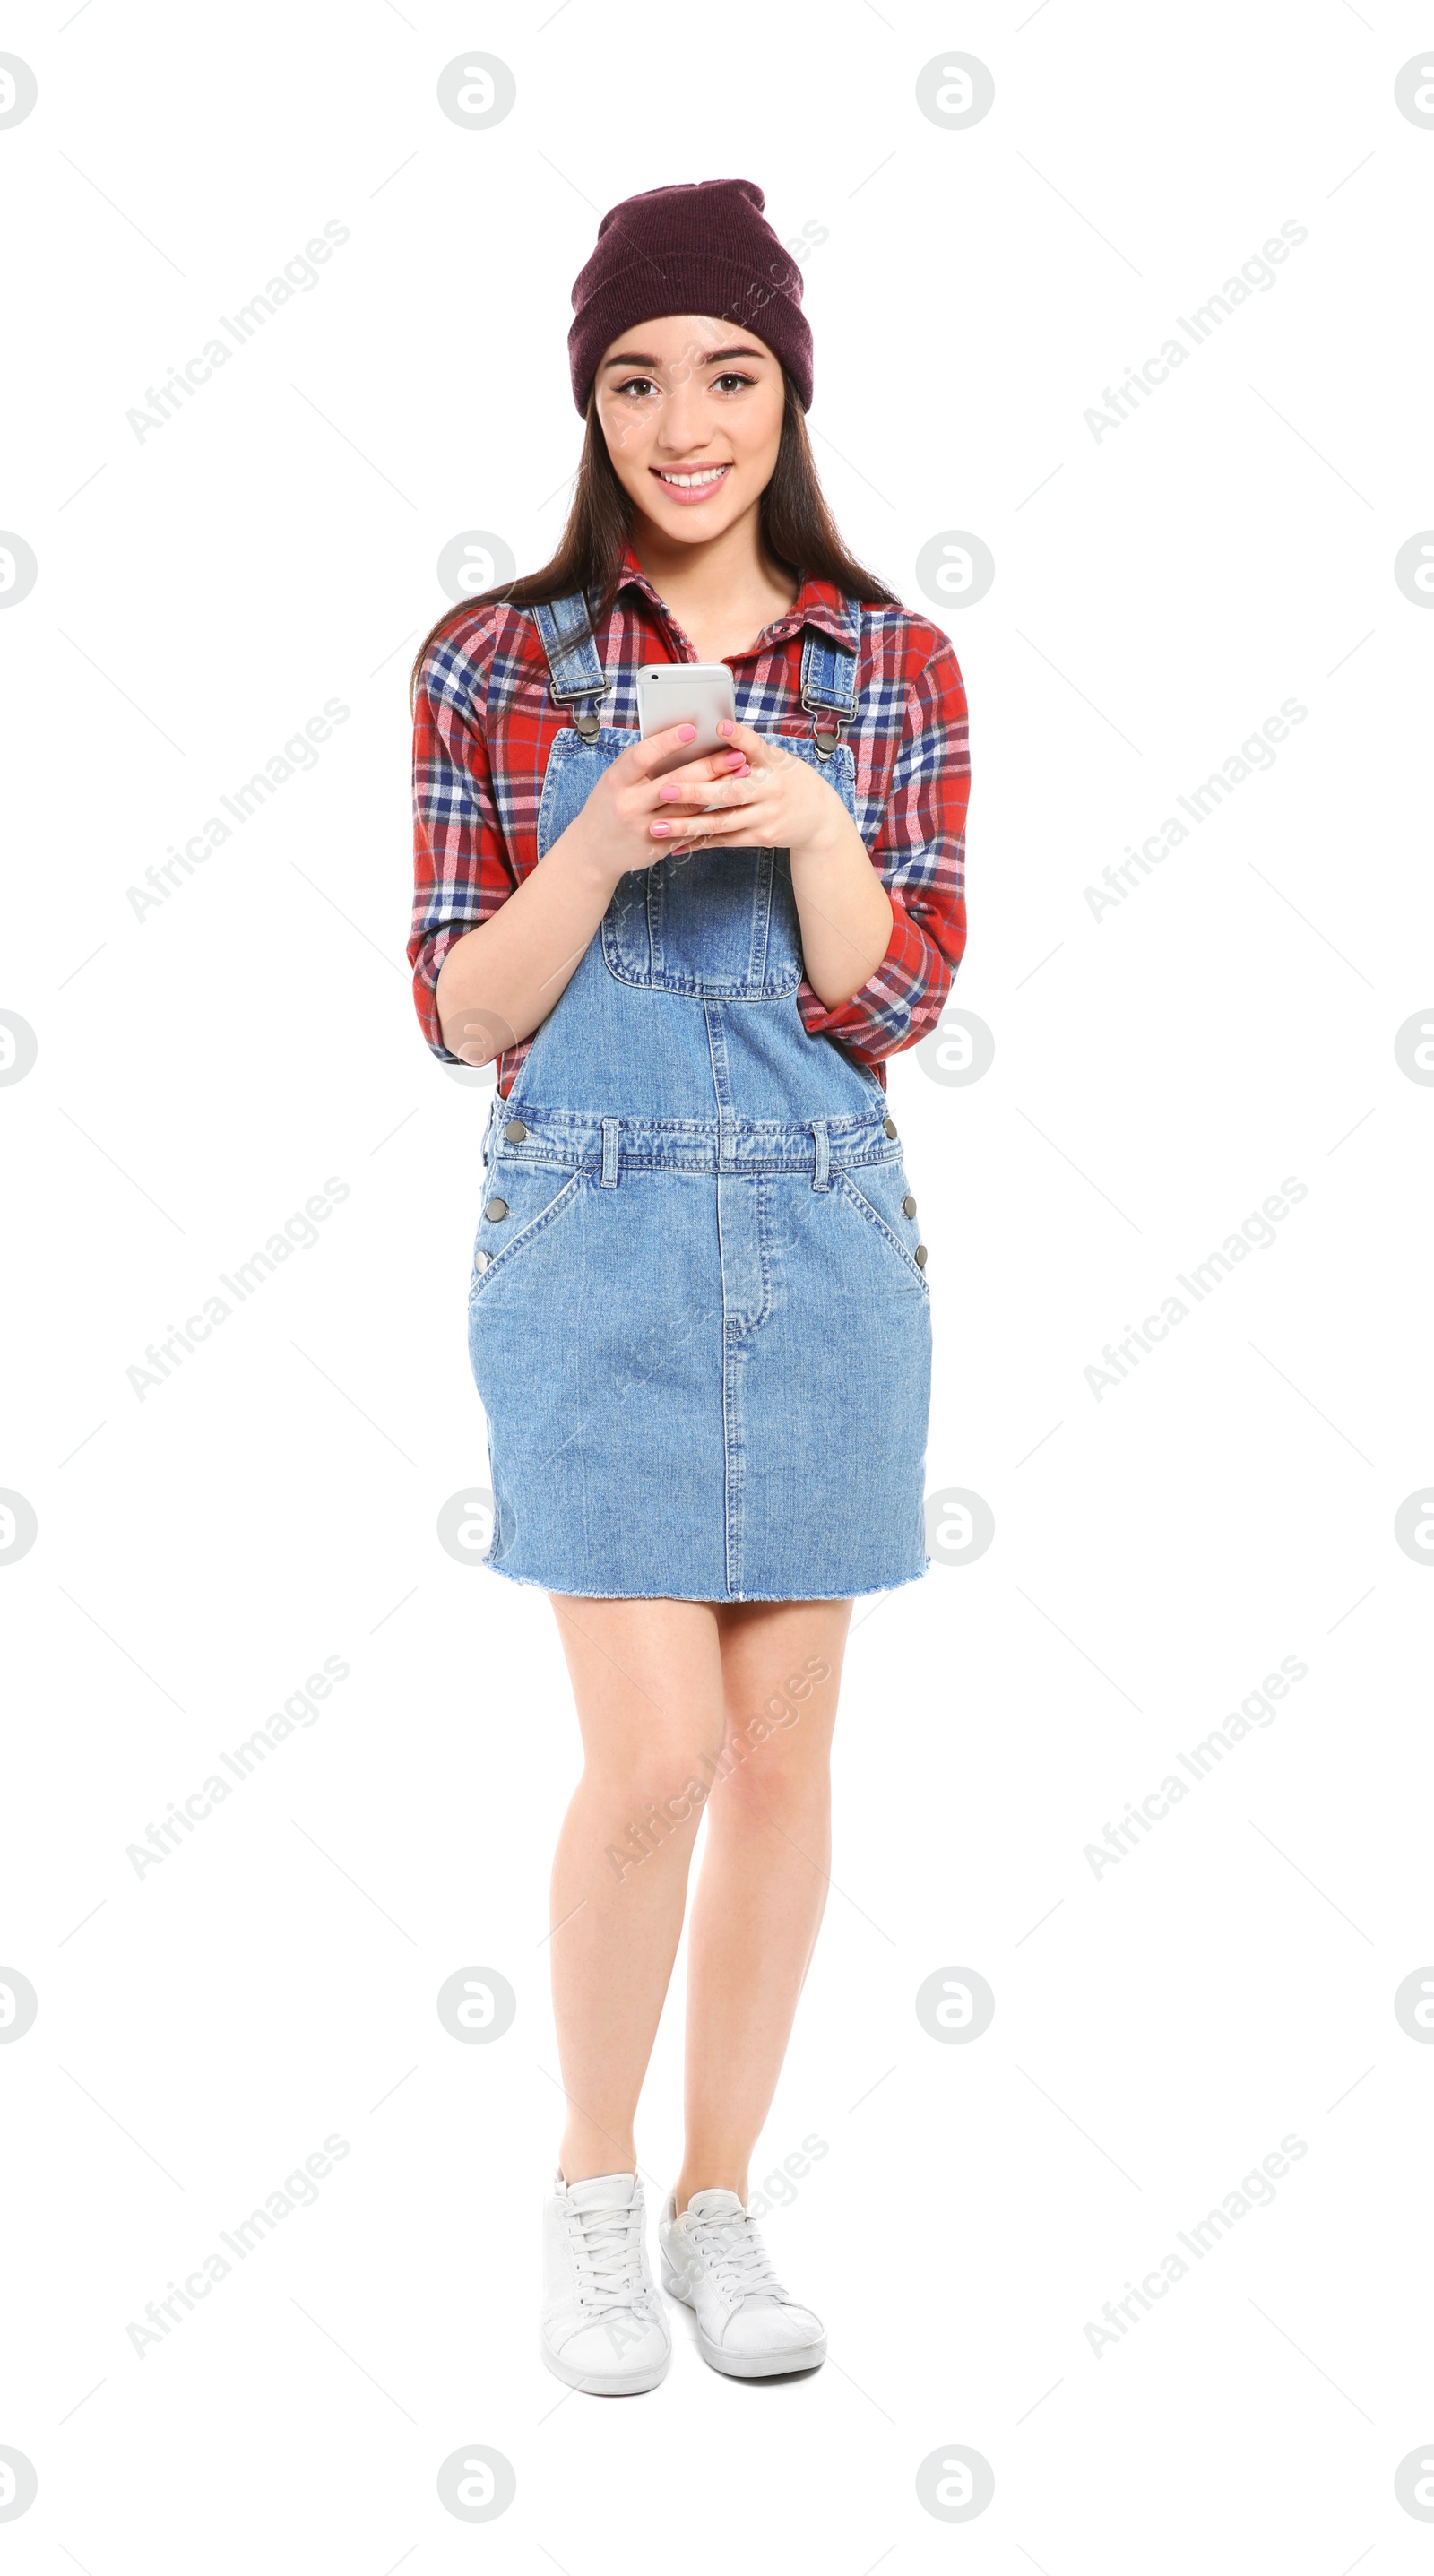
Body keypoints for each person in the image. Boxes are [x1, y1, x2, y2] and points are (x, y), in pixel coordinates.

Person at [409, 177, 969, 2394]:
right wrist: (601, 833)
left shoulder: (890, 658)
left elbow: (889, 993)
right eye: (635, 378)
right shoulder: (493, 659)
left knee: (771, 1761)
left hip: (824, 1229)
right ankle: (588, 2185)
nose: (680, 420)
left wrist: (817, 822)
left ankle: (723, 2201)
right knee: (644, 1760)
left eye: (723, 373)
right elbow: (460, 1010)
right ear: (590, 405)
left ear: (785, 389)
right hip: (590, 1226)